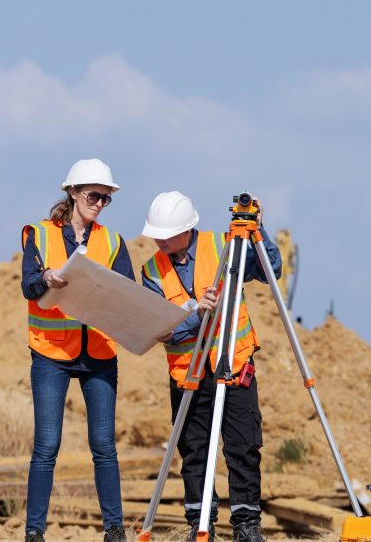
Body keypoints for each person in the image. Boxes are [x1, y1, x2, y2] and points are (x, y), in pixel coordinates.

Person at [139, 191, 281, 542]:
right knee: (195, 451)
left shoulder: (224, 245)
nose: (159, 240)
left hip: (233, 363)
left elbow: (270, 270)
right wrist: (195, 313)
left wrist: (259, 231)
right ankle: (200, 522)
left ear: (187, 229)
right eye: (156, 233)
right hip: (188, 373)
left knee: (243, 445)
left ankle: (247, 524)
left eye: (166, 233)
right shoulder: (152, 270)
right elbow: (160, 330)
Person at [20, 159, 131, 542]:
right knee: (47, 445)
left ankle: (114, 530)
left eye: (105, 198)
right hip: (51, 352)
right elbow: (29, 286)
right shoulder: (39, 233)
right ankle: (34, 532)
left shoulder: (113, 242)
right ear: (72, 192)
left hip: (99, 354)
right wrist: (47, 277)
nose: (99, 203)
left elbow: (127, 293)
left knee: (103, 445)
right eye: (92, 196)